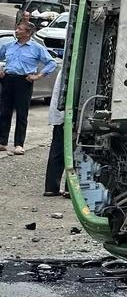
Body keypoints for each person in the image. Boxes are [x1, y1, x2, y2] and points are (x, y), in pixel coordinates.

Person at [0, 21, 57, 156]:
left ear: (28, 33)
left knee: (22, 113)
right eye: (17, 28)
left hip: (24, 81)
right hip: (8, 79)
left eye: (20, 29)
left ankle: (19, 144)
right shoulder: (8, 46)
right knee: (4, 111)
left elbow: (51, 63)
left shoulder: (36, 48)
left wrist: (38, 76)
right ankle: (2, 141)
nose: (16, 31)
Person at [44, 63, 66, 197]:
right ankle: (70, 189)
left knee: (57, 150)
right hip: (67, 116)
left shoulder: (65, 69)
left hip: (61, 116)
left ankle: (51, 187)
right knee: (75, 151)